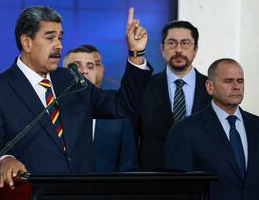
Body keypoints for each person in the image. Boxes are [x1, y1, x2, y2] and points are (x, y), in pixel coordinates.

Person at [0, 5, 152, 189]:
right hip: (33, 193)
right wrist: (4, 160)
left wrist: (136, 54)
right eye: (50, 38)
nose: (59, 45)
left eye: (60, 37)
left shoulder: (71, 79)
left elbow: (122, 105)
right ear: (27, 42)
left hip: (82, 193)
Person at [165, 58, 259, 200]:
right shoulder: (185, 130)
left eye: (240, 81)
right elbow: (177, 190)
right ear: (210, 86)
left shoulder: (256, 125)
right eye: (228, 81)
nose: (236, 86)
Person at [134, 20, 211, 170]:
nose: (178, 50)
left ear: (195, 49)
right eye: (171, 43)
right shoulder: (144, 87)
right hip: (154, 180)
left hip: (202, 177)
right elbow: (131, 138)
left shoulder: (211, 88)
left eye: (185, 43)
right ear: (162, 49)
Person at [63, 46, 137, 171]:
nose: (84, 71)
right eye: (77, 66)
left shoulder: (116, 112)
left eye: (90, 66)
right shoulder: (52, 110)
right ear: (62, 71)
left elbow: (128, 165)